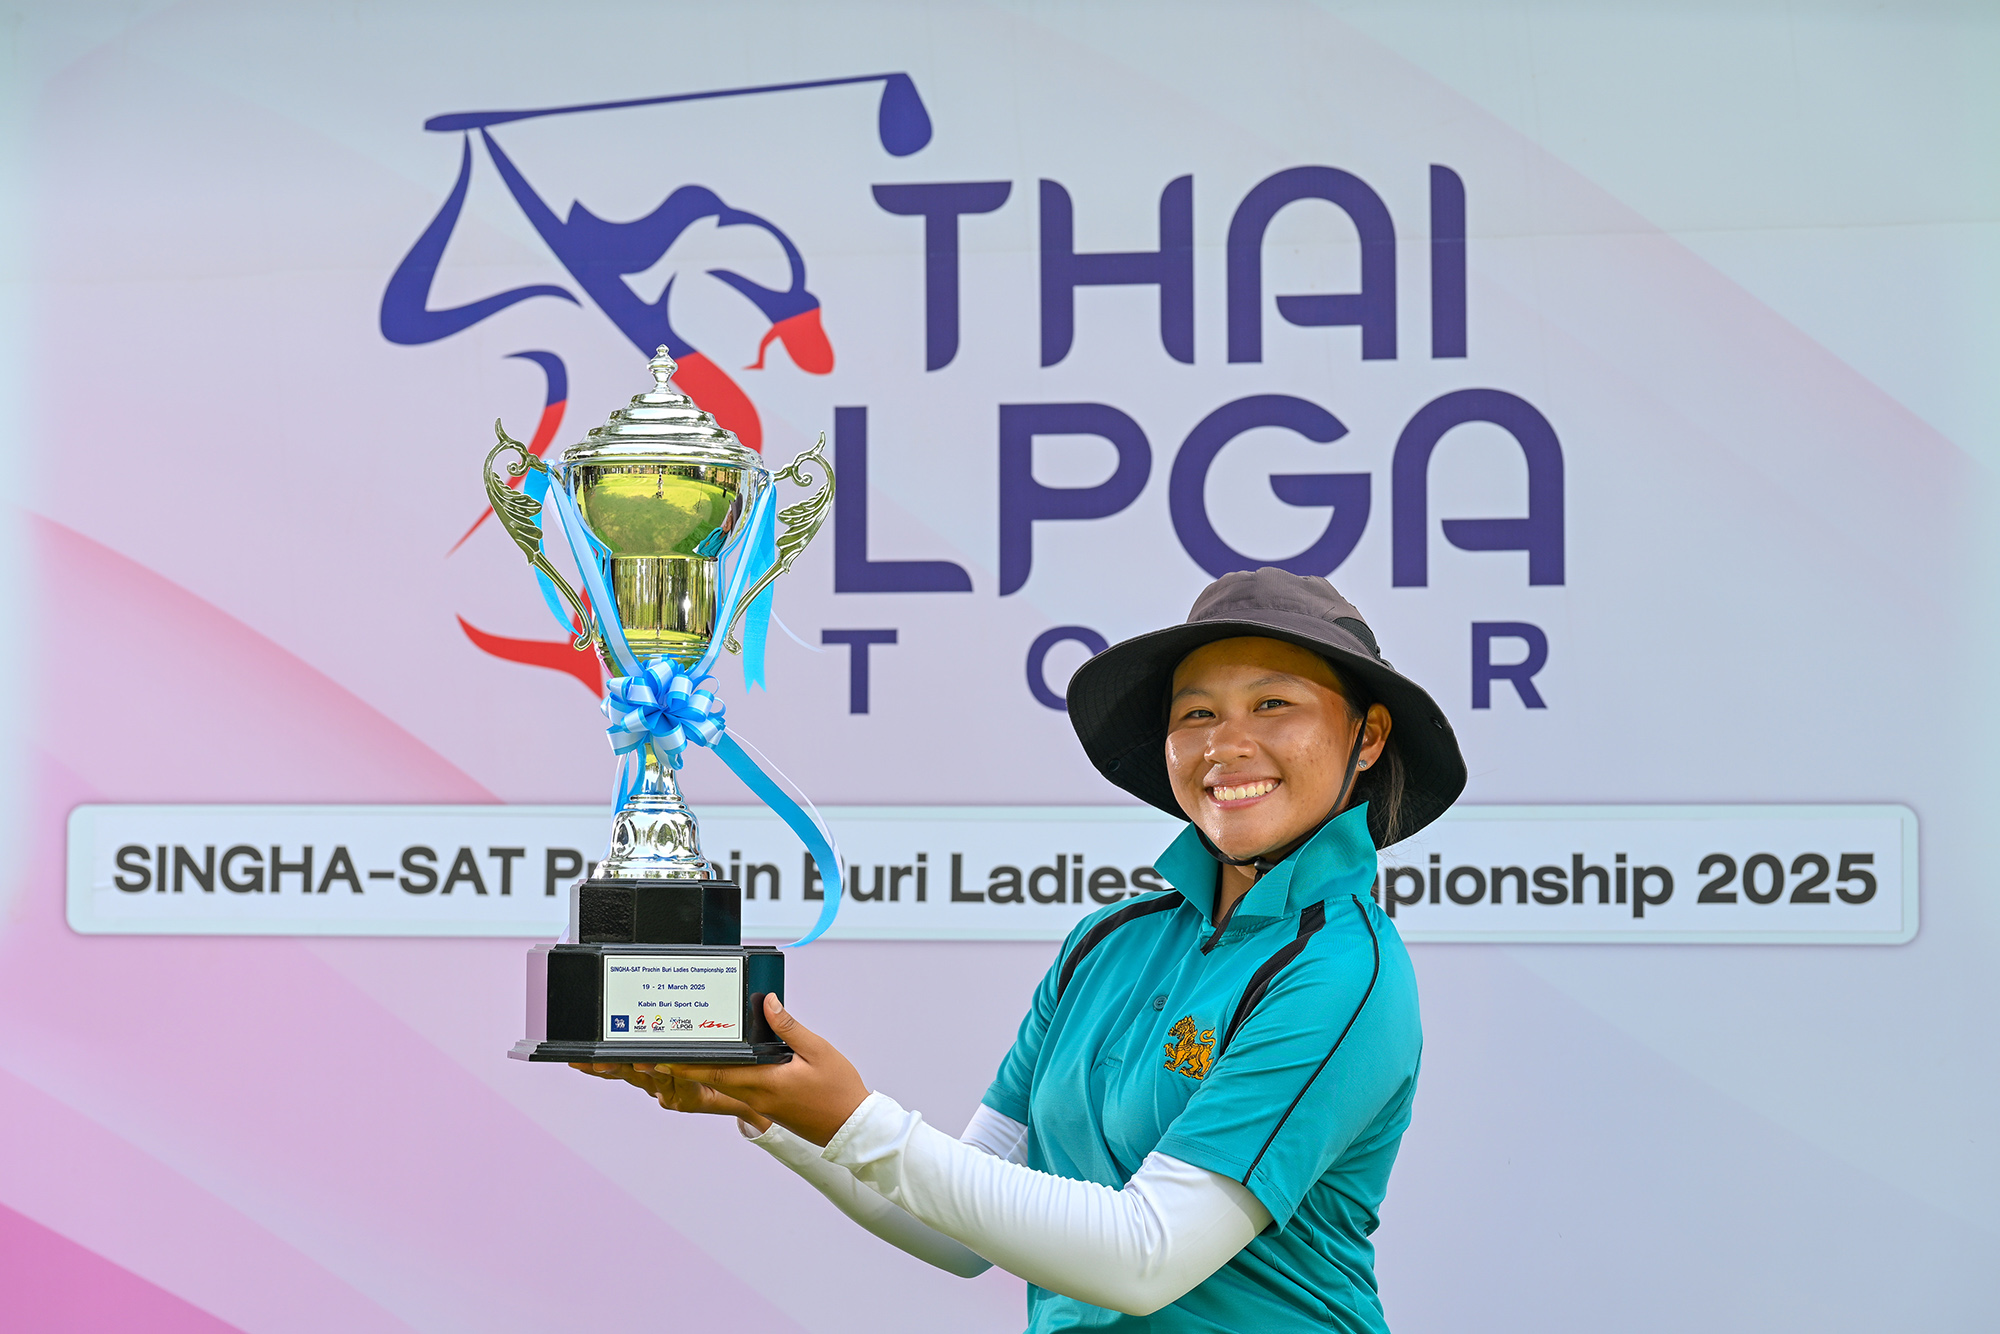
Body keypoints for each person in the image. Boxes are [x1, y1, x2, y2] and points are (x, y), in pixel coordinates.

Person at [576, 568, 1467, 1331]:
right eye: (1196, 713)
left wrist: (853, 1116)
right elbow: (962, 1231)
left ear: (1367, 738)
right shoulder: (1106, 944)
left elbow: (1146, 1258)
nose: (1226, 745)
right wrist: (773, 1104)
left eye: (1274, 704)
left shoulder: (1344, 970)